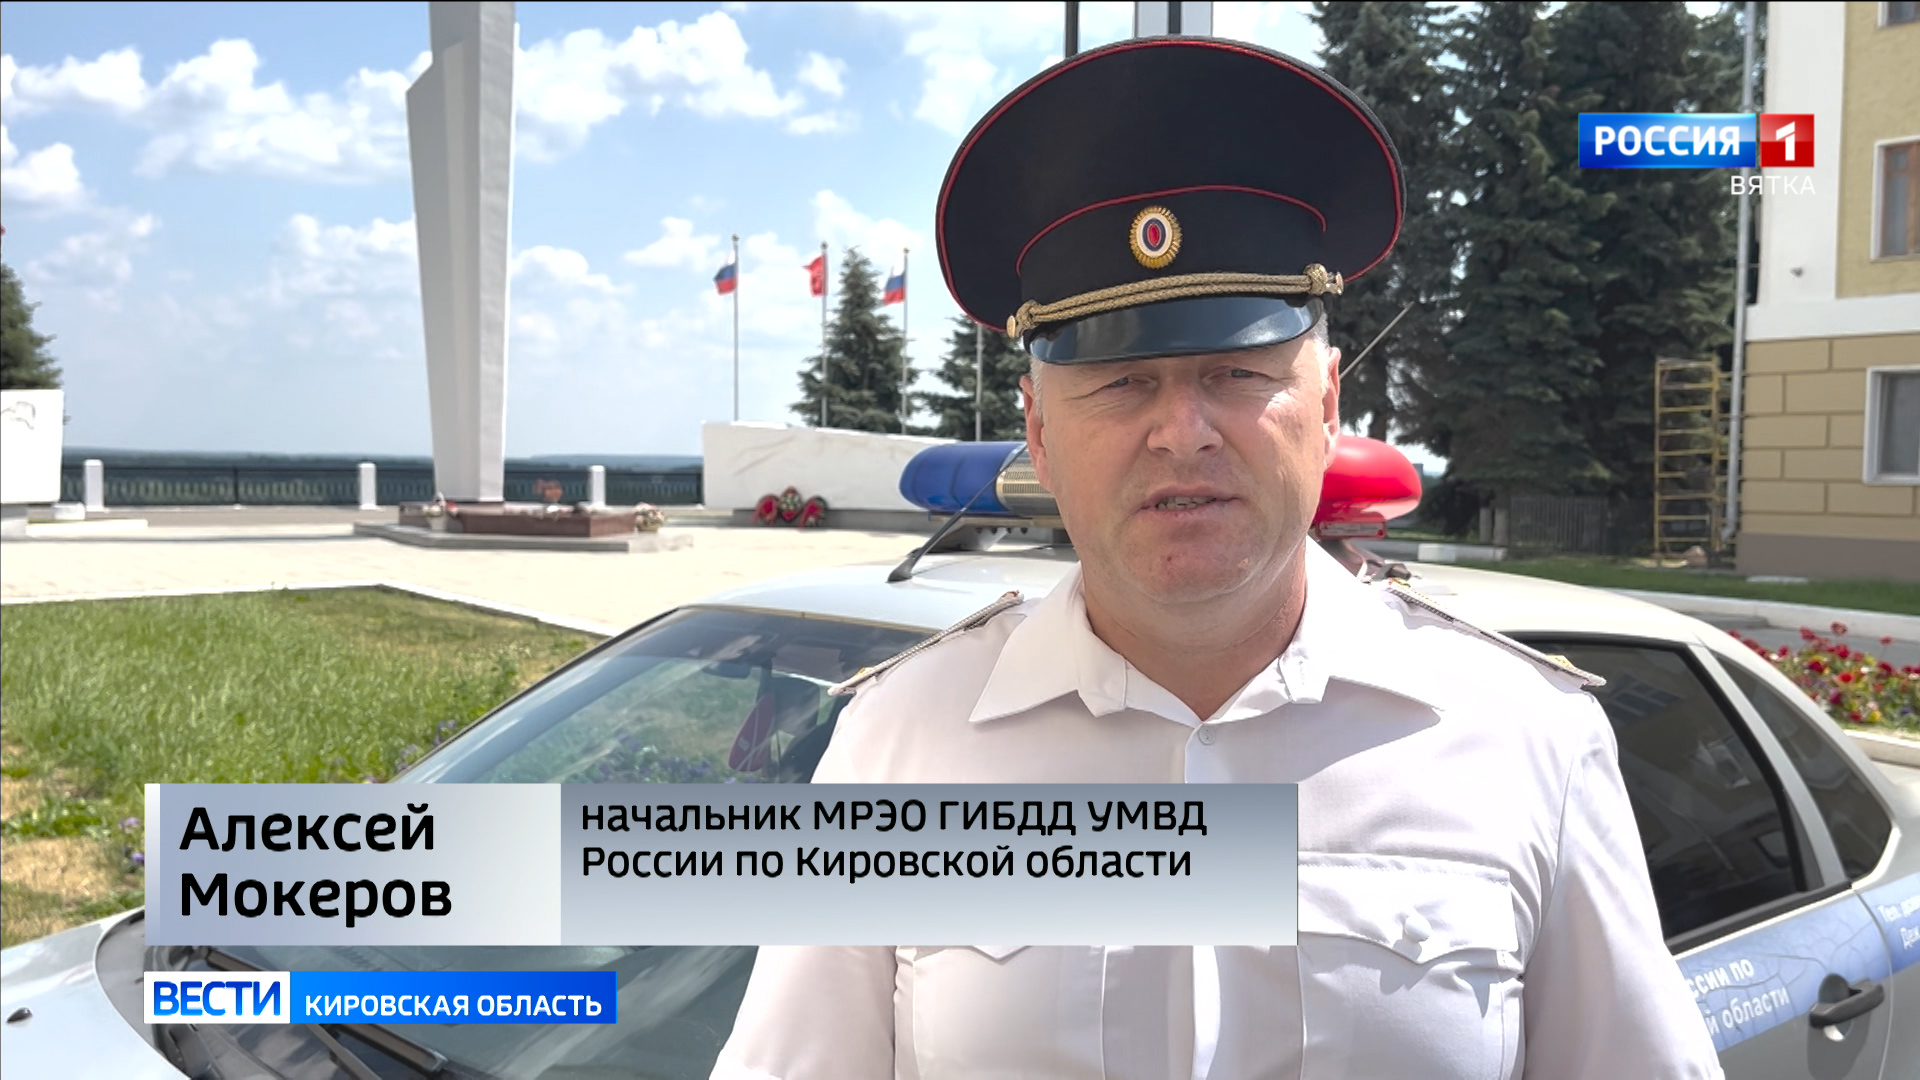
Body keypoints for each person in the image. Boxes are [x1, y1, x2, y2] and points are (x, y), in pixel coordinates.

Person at [711, 37, 1722, 1080]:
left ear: (1328, 407)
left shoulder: (1526, 741)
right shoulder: (900, 745)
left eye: (1236, 373)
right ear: (1039, 434)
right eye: (1121, 383)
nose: (1182, 433)